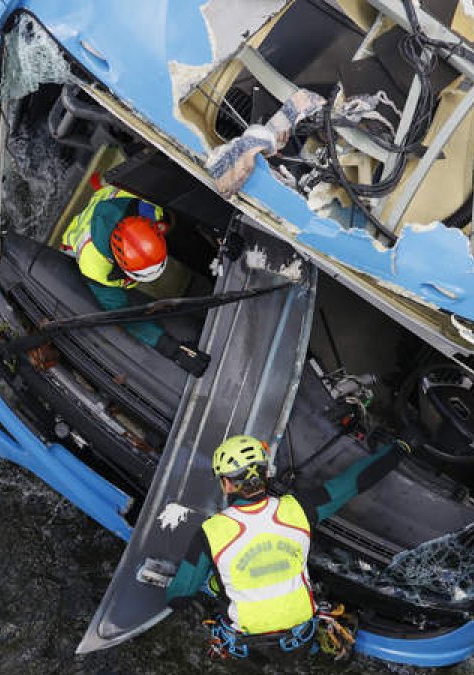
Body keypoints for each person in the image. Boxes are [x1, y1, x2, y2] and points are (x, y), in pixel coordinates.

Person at [165, 433, 408, 660]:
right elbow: (352, 482)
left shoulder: (211, 531)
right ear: (265, 474)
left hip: (247, 640)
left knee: (213, 581)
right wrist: (400, 448)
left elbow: (179, 595)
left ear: (227, 484)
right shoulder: (299, 509)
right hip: (301, 631)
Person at [61, 179, 210, 377]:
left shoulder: (148, 207)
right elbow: (124, 314)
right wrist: (172, 349)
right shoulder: (93, 266)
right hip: (76, 237)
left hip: (111, 199)